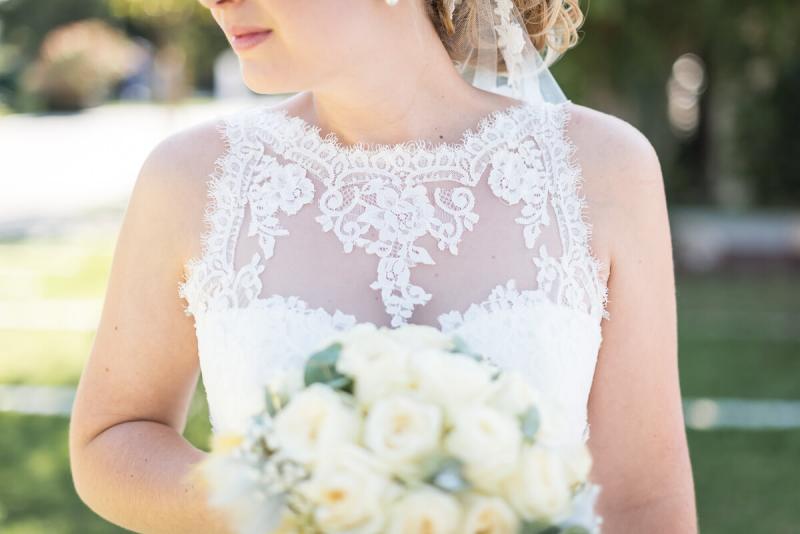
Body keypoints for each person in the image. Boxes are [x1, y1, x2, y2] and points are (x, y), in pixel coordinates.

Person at [68, 0, 698, 533]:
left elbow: (647, 506)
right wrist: (281, 498)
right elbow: (112, 437)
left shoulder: (603, 170)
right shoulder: (192, 179)